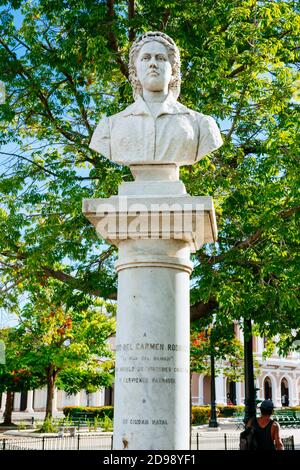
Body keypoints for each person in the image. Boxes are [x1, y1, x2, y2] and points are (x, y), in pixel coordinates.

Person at [89, 31, 223, 166]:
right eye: (146, 58)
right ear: (134, 72)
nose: (153, 63)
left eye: (160, 58)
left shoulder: (201, 125)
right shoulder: (109, 127)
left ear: (173, 72)